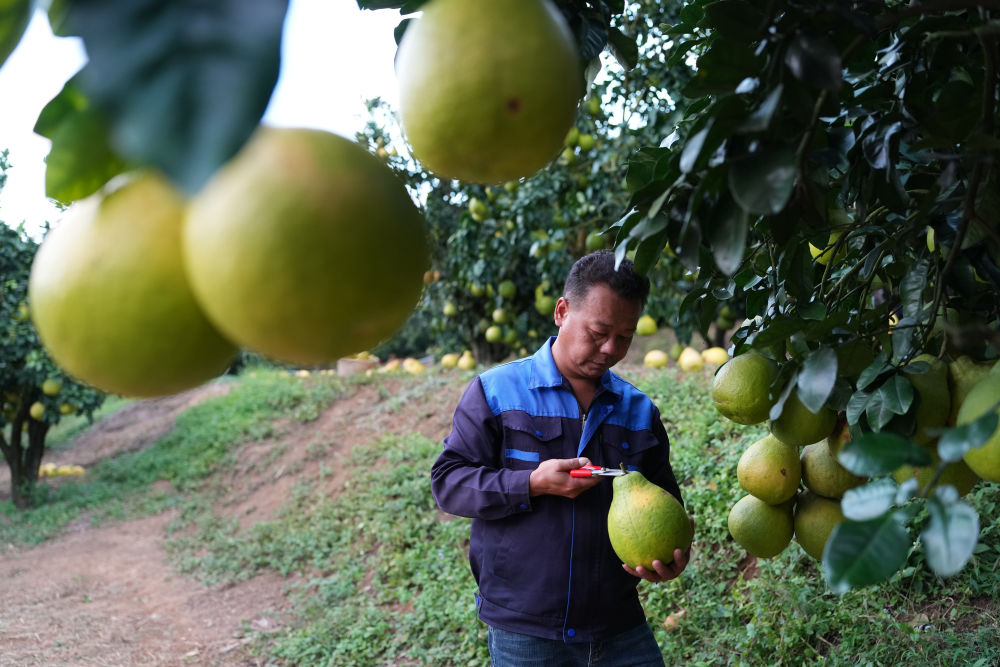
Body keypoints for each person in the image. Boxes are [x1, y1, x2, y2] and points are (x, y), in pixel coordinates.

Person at [431, 250, 692, 666]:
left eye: (625, 336)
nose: (610, 348)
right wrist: (531, 483)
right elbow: (449, 483)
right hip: (526, 633)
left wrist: (671, 556)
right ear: (562, 312)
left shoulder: (639, 411)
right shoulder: (496, 392)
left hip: (619, 627)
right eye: (598, 332)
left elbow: (665, 505)